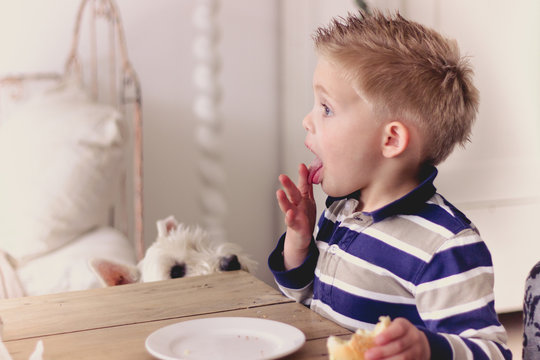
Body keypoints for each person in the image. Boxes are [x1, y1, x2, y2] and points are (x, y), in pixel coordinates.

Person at [268, 10, 512, 360]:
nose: (307, 120)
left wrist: (429, 349)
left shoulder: (444, 247)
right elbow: (302, 301)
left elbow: (493, 353)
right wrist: (299, 244)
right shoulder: (342, 211)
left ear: (391, 139)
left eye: (326, 108)